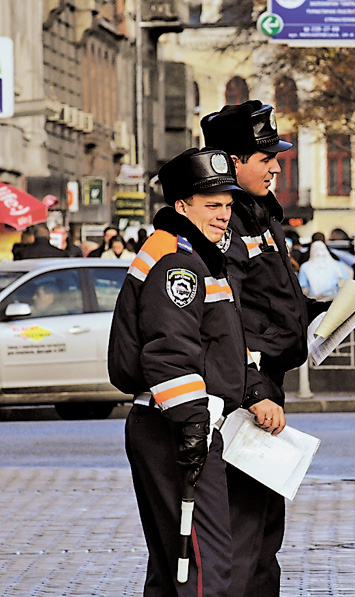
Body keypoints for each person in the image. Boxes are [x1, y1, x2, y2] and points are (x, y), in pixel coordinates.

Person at [201, 99, 328, 597]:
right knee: (240, 535)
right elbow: (222, 321)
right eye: (265, 157)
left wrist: (322, 314)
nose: (277, 165)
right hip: (241, 395)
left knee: (262, 533)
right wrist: (253, 391)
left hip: (262, 388)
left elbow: (270, 302)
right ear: (233, 163)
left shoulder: (259, 215)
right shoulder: (224, 223)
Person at [107, 148, 245, 597]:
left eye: (227, 204)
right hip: (178, 426)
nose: (224, 215)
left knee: (174, 566)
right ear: (182, 206)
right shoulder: (181, 261)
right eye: (213, 205)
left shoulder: (189, 251)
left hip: (171, 424)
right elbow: (168, 352)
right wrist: (192, 423)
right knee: (203, 568)